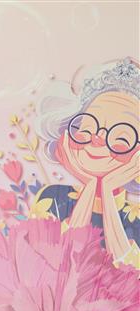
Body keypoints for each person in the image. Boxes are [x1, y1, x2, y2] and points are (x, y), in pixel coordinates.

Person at [36, 58, 139, 267]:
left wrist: (107, 191)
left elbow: (129, 276)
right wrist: (90, 187)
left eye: (121, 138)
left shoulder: (136, 218)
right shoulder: (52, 198)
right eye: (88, 128)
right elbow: (55, 267)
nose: (97, 139)